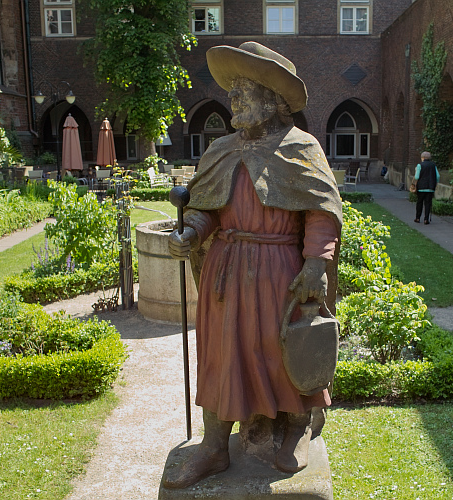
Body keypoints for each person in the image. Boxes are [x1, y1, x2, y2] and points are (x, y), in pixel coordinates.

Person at [164, 41, 342, 489]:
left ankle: (296, 429)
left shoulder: (300, 147)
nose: (233, 102)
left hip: (280, 269)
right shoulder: (221, 150)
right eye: (233, 93)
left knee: (282, 351)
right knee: (223, 357)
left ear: (273, 100)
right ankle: (214, 447)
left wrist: (317, 265)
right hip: (227, 273)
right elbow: (207, 208)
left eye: (244, 93)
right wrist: (192, 233)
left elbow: (321, 211)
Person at [413, 152, 438, 224]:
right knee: (428, 203)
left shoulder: (419, 165)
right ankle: (426, 219)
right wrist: (435, 183)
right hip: (430, 187)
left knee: (419, 202)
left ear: (422, 158)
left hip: (421, 187)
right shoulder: (433, 165)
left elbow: (417, 177)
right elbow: (438, 176)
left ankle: (418, 218)